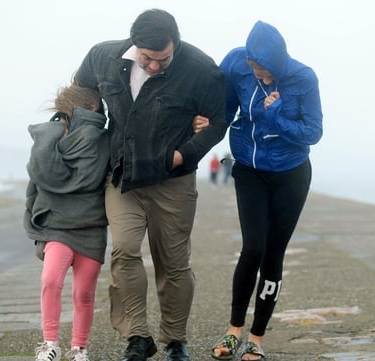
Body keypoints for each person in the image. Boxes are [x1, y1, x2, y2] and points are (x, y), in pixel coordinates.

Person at [75, 8, 227, 361]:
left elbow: (219, 121)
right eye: (148, 58)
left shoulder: (201, 69)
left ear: (175, 44)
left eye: (164, 59)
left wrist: (184, 154)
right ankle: (137, 338)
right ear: (134, 45)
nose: (155, 66)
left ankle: (175, 341)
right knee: (124, 251)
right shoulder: (103, 57)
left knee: (173, 263)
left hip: (172, 180)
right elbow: (82, 91)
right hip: (122, 176)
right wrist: (82, 132)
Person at [208, 20, 323, 361]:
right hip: (249, 169)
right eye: (257, 70)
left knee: (273, 253)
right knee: (252, 248)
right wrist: (205, 125)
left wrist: (274, 117)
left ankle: (256, 338)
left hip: (291, 173)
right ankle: (233, 332)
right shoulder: (235, 63)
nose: (263, 77)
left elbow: (313, 132)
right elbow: (225, 109)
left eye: (269, 72)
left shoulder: (303, 78)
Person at [23, 81, 110, 361]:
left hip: (91, 228)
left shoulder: (104, 141)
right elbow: (35, 183)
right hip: (57, 228)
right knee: (50, 281)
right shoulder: (49, 144)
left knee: (84, 293)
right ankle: (49, 345)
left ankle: (79, 348)